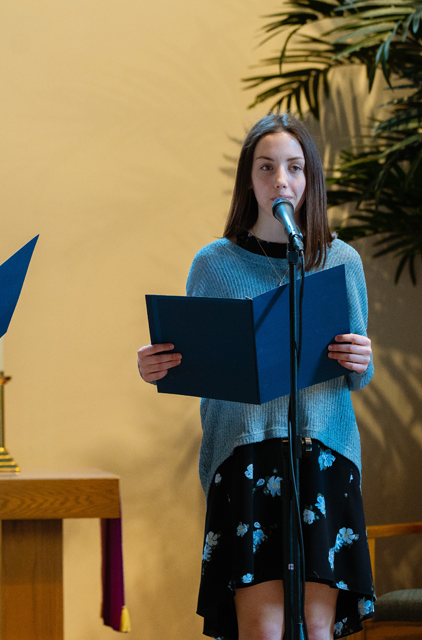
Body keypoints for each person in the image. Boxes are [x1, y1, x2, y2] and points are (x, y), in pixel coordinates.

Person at [137, 113, 375, 640]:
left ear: (310, 178)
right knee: (261, 627)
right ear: (249, 179)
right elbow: (194, 362)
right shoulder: (214, 264)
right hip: (246, 454)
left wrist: (362, 357)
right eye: (266, 167)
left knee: (317, 626)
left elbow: (358, 371)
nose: (280, 180)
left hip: (322, 453)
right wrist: (155, 365)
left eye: (294, 168)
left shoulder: (341, 259)